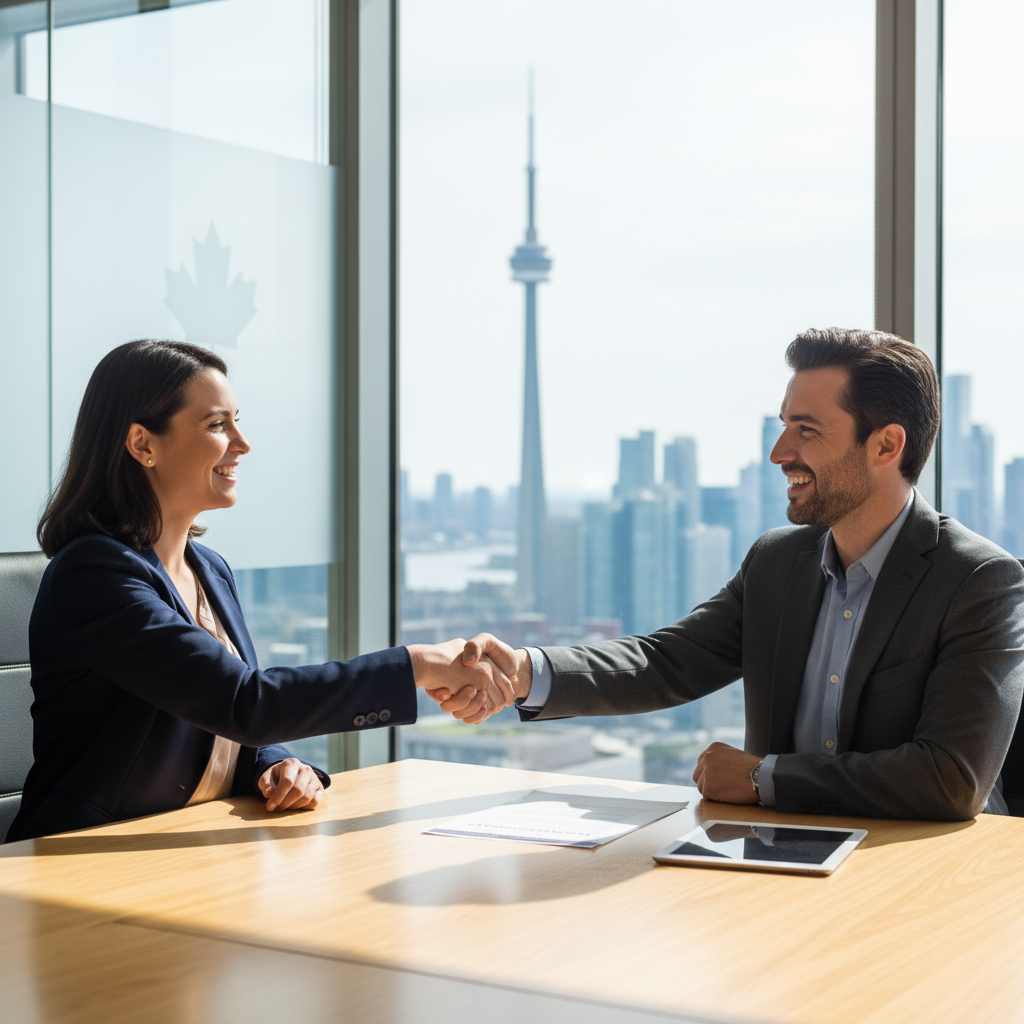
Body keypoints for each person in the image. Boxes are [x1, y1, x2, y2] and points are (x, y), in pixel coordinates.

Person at [470, 328, 1024, 821]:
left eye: (806, 431)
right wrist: (523, 671)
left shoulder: (978, 580)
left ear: (886, 444)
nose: (779, 453)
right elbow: (666, 662)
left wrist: (764, 779)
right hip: (780, 863)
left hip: (925, 879)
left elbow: (951, 779)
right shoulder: (777, 562)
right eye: (784, 427)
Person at [7, 340, 514, 843]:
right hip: (84, 859)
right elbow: (245, 702)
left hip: (194, 848)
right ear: (144, 445)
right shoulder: (94, 576)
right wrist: (418, 665)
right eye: (216, 425)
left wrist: (276, 762)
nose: (241, 443)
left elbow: (222, 718)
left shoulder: (209, 570)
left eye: (236, 421)